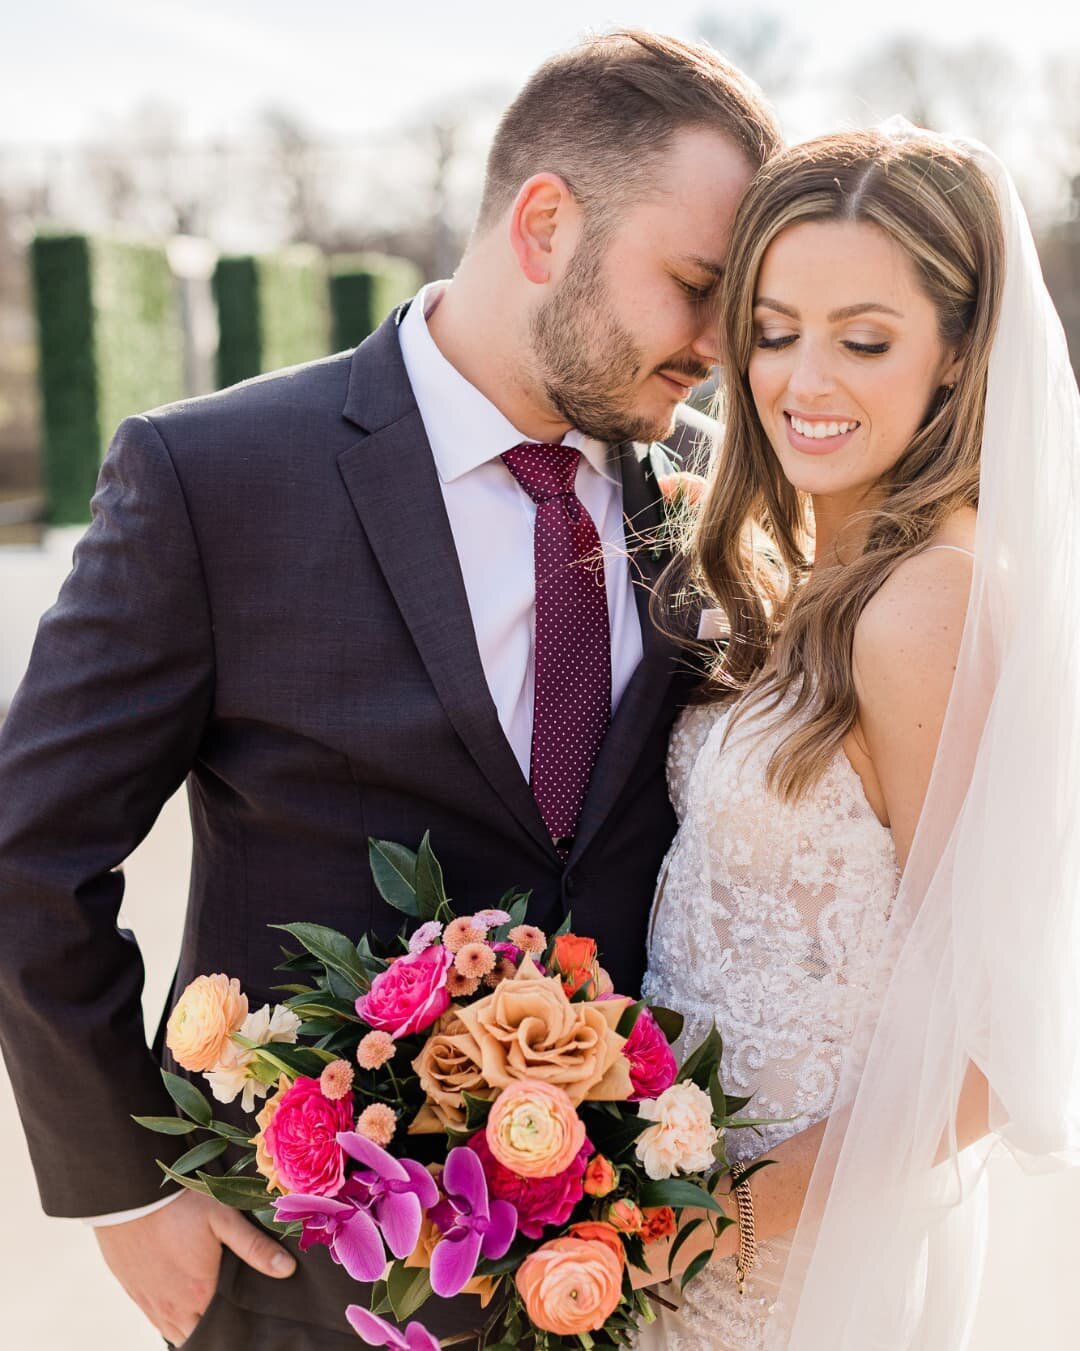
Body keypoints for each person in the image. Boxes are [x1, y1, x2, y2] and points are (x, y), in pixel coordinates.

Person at [0, 29, 780, 1351]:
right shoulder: (212, 477)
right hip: (303, 1283)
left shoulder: (727, 496)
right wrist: (124, 1189)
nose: (716, 345)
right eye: (695, 283)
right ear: (545, 225)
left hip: (643, 1280)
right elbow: (30, 852)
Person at [635, 123, 1080, 1348]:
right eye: (773, 332)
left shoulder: (930, 601)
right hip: (679, 1241)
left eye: (864, 340)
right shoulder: (813, 576)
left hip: (790, 1270)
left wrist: (713, 1220)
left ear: (954, 356)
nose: (803, 383)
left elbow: (996, 1045)